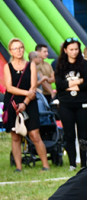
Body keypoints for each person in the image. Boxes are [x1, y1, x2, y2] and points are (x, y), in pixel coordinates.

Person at [3, 39, 51, 172]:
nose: (18, 51)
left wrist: (25, 102)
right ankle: (18, 167)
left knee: (35, 134)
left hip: (29, 103)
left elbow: (34, 86)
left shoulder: (31, 66)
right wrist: (27, 93)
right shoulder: (8, 67)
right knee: (15, 135)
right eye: (15, 48)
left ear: (24, 49)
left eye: (20, 48)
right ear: (10, 51)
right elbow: (9, 87)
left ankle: (45, 165)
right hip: (12, 102)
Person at [55, 38, 87, 171]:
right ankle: (72, 163)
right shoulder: (60, 64)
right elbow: (59, 85)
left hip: (83, 103)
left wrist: (73, 86)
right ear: (65, 50)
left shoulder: (85, 64)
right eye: (71, 49)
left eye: (76, 49)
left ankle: (84, 163)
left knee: (83, 135)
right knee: (69, 134)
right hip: (66, 104)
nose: (74, 52)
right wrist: (77, 82)